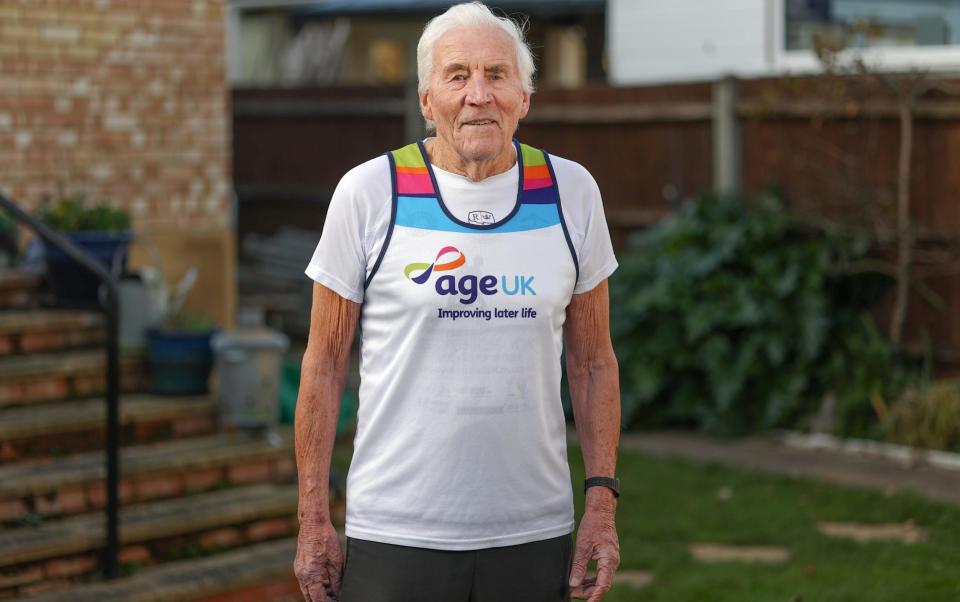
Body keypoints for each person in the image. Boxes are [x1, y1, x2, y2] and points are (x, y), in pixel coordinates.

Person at [294, 2, 621, 601]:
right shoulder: (369, 193)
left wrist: (601, 501)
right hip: (396, 534)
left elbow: (594, 360)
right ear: (426, 98)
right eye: (457, 75)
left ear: (524, 96)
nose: (479, 94)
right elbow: (323, 362)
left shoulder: (571, 192)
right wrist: (313, 516)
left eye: (497, 75)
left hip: (533, 532)